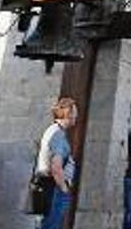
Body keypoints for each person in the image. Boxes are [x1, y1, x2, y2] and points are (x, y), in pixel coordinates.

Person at [37, 97, 78, 229]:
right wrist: (64, 188)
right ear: (68, 113)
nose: (76, 115)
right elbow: (56, 166)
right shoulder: (58, 134)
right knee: (51, 225)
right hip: (54, 186)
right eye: (75, 112)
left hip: (50, 185)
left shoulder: (54, 130)